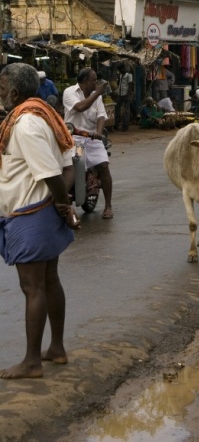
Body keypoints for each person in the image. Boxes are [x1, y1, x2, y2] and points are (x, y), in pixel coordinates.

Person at [0, 63, 80, 379]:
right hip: (42, 210)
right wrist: (63, 206)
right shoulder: (44, 115)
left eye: (2, 90)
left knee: (32, 286)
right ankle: (56, 349)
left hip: (31, 212)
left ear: (16, 93)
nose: (1, 95)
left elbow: (50, 173)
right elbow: (67, 165)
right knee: (48, 281)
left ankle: (32, 362)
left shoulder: (26, 125)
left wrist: (63, 205)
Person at [63, 68, 114, 220]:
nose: (96, 83)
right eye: (93, 80)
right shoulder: (70, 92)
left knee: (103, 166)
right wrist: (98, 92)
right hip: (76, 139)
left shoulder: (96, 97)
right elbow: (80, 107)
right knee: (73, 165)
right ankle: (63, 199)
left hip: (92, 139)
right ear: (85, 81)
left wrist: (98, 133)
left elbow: (101, 116)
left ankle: (108, 206)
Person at [114, 63, 133, 131]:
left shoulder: (129, 75)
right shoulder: (121, 75)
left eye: (120, 69)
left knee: (126, 111)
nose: (119, 71)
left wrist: (128, 94)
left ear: (123, 68)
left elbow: (130, 85)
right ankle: (116, 124)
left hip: (125, 94)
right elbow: (119, 84)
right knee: (117, 109)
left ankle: (125, 126)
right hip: (120, 94)